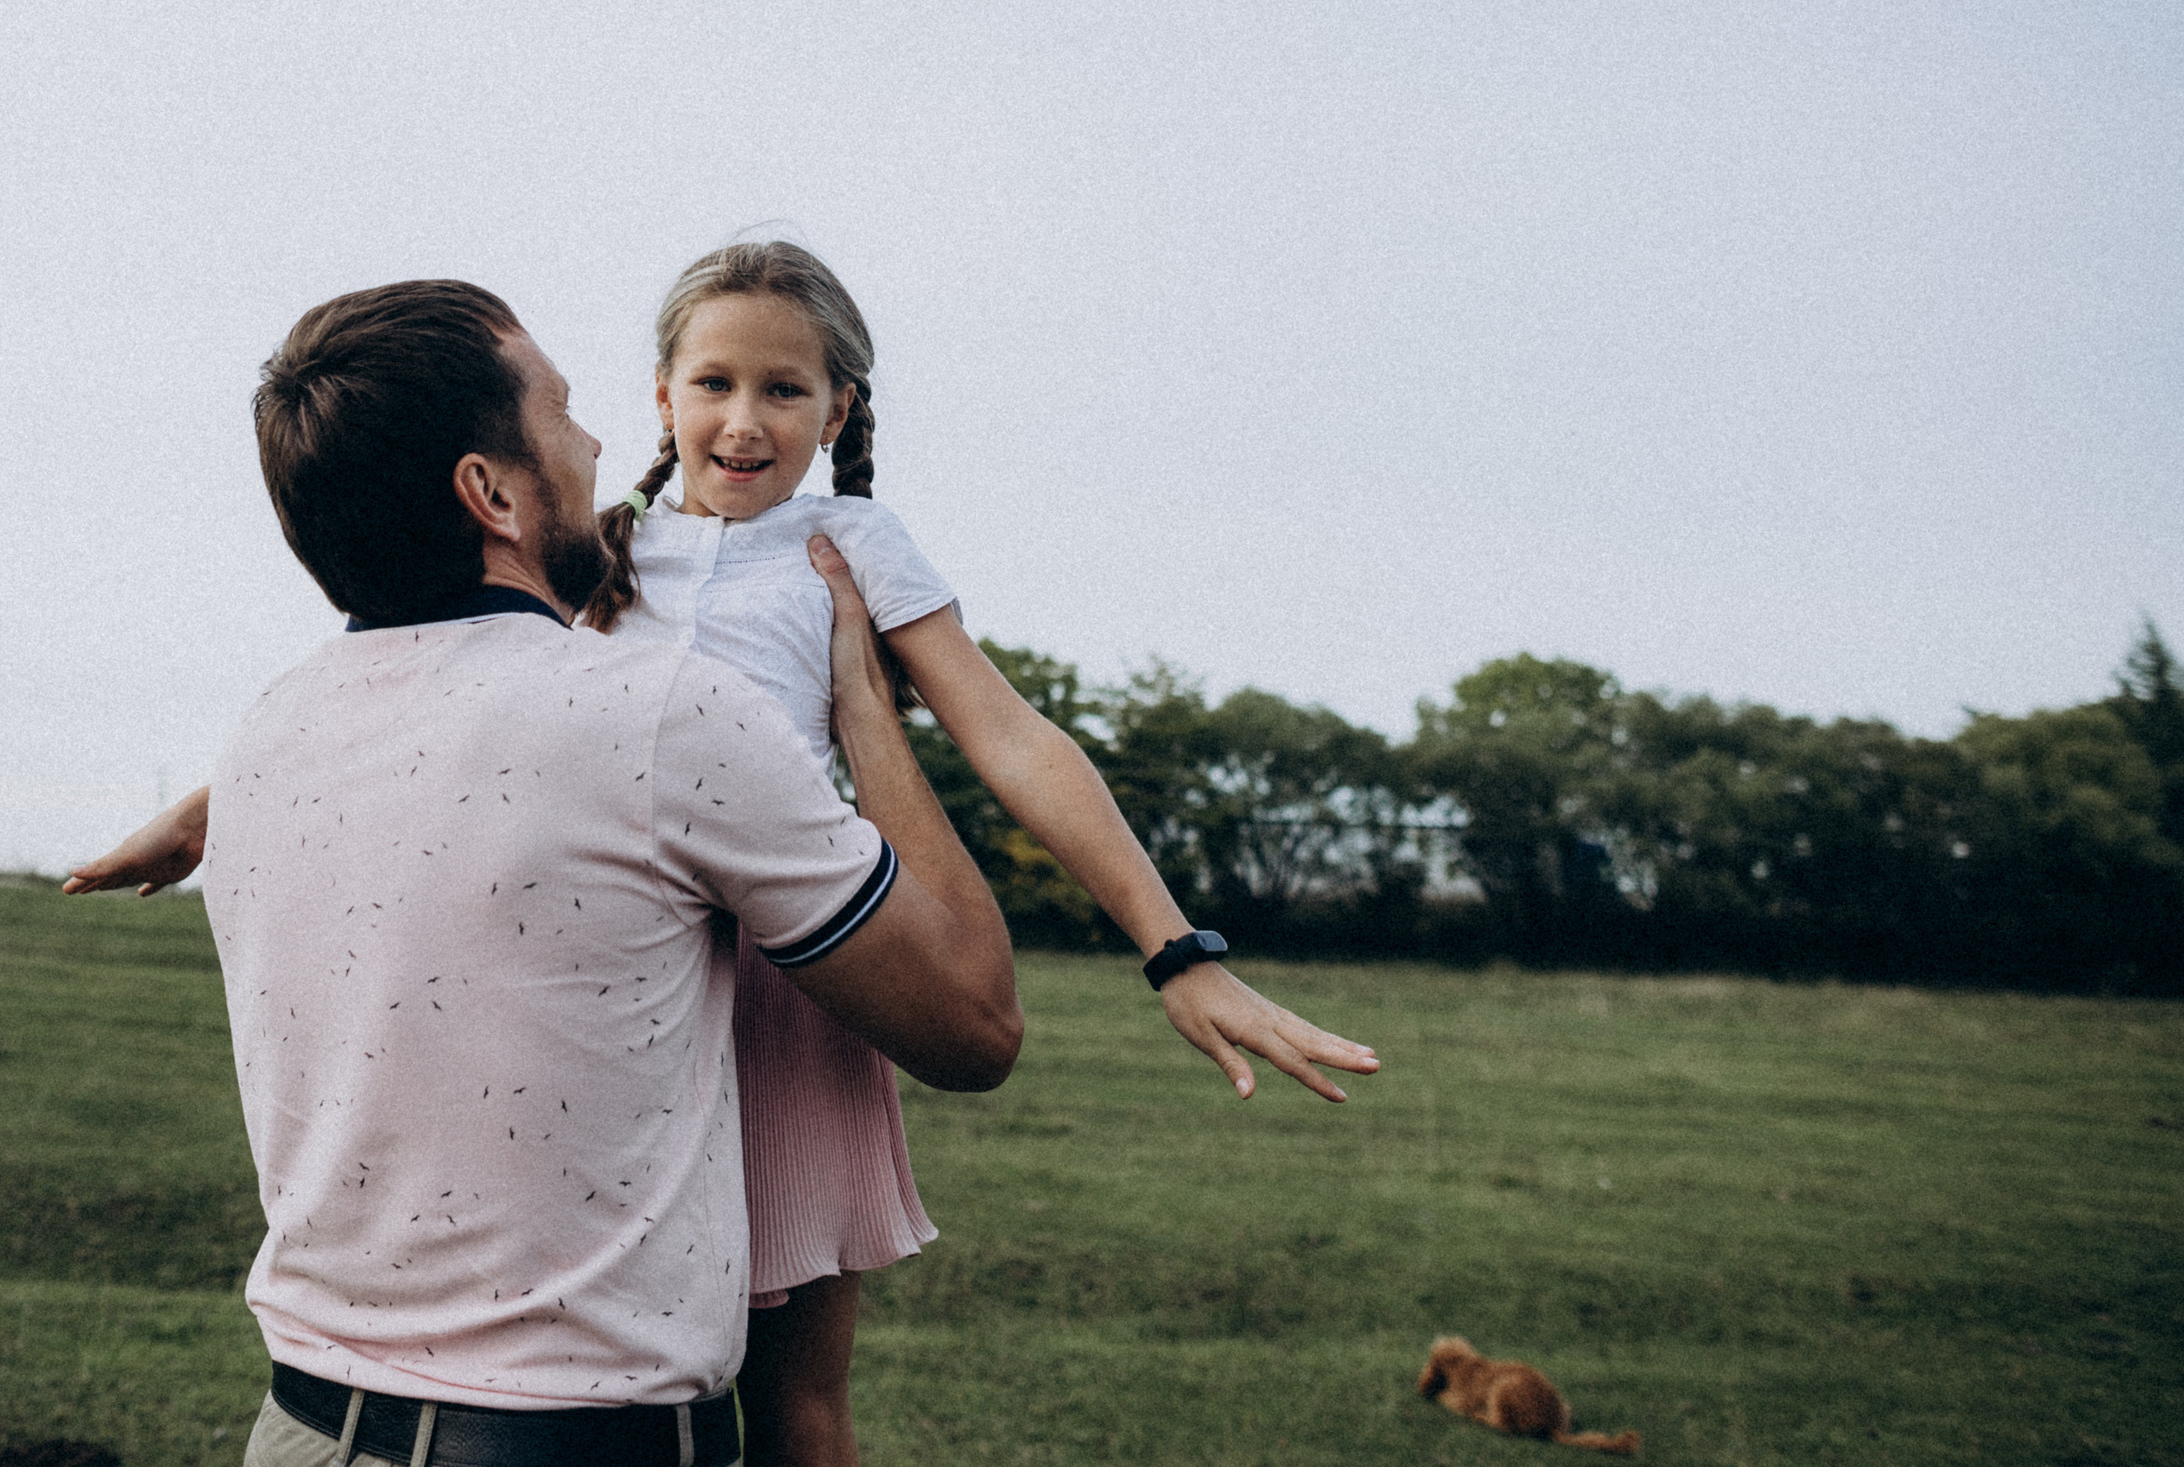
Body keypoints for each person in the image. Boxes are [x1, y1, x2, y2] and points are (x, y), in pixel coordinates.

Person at [74, 246, 1381, 1467]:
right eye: (712, 382)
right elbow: (446, 700)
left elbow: (1015, 740)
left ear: (839, 407)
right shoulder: (617, 556)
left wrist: (1176, 947)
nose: (743, 419)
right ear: (661, 399)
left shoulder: (848, 550)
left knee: (796, 1382)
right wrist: (213, 807)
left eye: (783, 387)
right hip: (637, 966)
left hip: (821, 963)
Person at [165, 279, 1020, 1467]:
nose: (601, 441)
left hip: (304, 1427)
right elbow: (974, 1026)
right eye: (561, 412)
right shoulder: (659, 715)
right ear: (493, 492)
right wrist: (865, 713)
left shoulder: (267, 733)